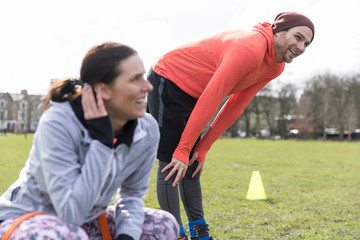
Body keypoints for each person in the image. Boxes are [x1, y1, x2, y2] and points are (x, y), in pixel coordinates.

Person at [147, 12, 315, 240]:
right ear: (279, 31)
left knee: (192, 163)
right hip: (169, 78)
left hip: (197, 93)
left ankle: (199, 232)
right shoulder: (249, 48)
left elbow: (236, 104)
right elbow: (214, 96)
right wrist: (183, 148)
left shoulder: (275, 66)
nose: (301, 46)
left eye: (306, 43)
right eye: (298, 37)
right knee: (172, 162)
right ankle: (173, 233)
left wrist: (202, 148)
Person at [0, 42, 179, 240]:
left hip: (86, 221)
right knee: (66, 235)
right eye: (135, 79)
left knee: (164, 224)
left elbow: (132, 195)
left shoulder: (147, 128)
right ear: (103, 89)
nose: (148, 87)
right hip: (26, 220)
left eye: (143, 77)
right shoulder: (58, 122)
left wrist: (126, 236)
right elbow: (71, 213)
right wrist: (103, 143)